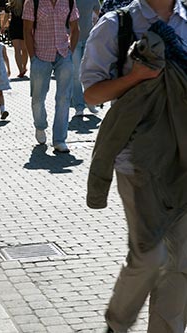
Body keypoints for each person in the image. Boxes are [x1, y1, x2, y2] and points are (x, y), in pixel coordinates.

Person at [81, 0, 187, 332]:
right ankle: (117, 324)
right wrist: (137, 77)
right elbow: (92, 94)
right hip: (138, 163)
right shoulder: (116, 25)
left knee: (180, 262)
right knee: (151, 255)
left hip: (184, 160)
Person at [22, 0, 79, 153]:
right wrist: (32, 57)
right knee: (38, 98)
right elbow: (27, 30)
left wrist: (70, 53)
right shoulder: (32, 2)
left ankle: (59, 140)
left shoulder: (68, 1)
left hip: (63, 54)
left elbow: (75, 28)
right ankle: (40, 126)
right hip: (40, 55)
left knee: (63, 98)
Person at [71, 0, 100, 117]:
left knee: (89, 73)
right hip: (73, 39)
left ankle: (90, 101)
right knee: (76, 75)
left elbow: (97, 13)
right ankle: (79, 106)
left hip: (89, 38)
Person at [3, 0, 29, 78]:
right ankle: (24, 67)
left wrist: (3, 26)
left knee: (17, 50)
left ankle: (20, 70)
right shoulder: (26, 3)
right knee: (25, 49)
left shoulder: (10, 5)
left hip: (14, 27)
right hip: (23, 27)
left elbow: (6, 16)